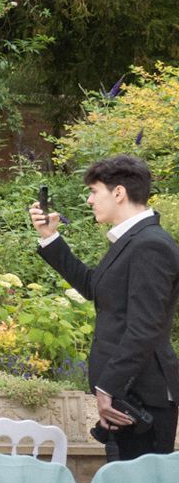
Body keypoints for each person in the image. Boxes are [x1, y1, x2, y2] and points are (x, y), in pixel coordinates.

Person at [32, 154, 179, 459]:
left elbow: (144, 327)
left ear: (118, 192)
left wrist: (107, 388)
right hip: (128, 395)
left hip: (142, 397)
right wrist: (50, 238)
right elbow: (94, 288)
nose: (89, 200)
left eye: (94, 191)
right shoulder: (131, 241)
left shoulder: (150, 244)